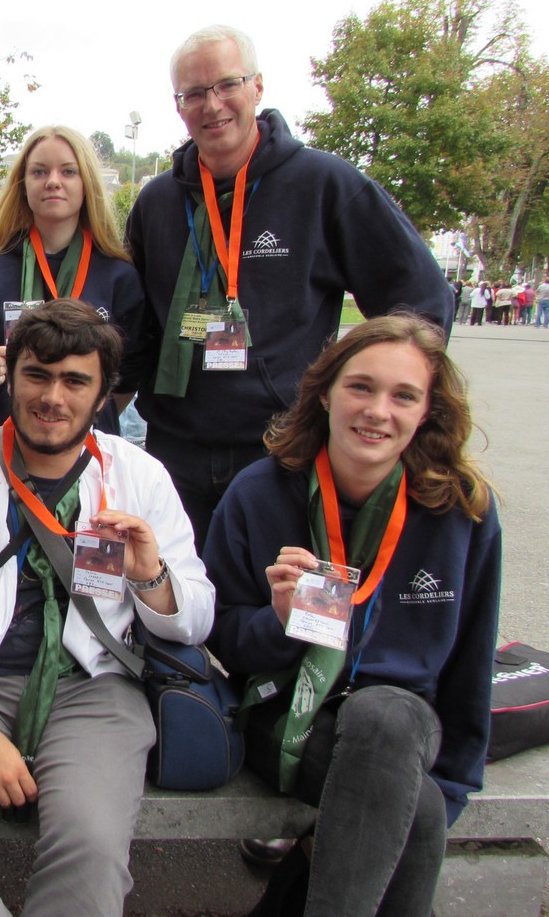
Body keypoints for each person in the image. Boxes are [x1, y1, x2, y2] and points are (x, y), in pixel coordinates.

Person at [0, 298, 214, 917]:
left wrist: (151, 577)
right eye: (37, 375)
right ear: (12, 379)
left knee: (90, 845)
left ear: (103, 395)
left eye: (75, 381)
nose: (52, 397)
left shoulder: (141, 477)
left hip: (92, 686)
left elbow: (196, 616)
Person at [205, 313, 501, 917]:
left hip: (406, 723)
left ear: (428, 411)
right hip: (286, 711)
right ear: (325, 393)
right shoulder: (258, 492)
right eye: (361, 387)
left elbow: (473, 654)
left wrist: (453, 781)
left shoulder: (460, 509)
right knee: (415, 808)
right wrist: (279, 621)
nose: (377, 411)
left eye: (404, 396)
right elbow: (222, 640)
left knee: (384, 714)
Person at [124, 24, 454, 551]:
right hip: (175, 450)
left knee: (271, 591)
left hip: (283, 447)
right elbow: (136, 324)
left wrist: (383, 398)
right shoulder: (157, 202)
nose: (212, 105)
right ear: (178, 106)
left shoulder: (324, 184)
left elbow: (421, 299)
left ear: (257, 86)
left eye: (227, 84)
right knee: (169, 588)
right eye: (194, 93)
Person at [0, 126, 143, 437]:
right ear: (23, 185)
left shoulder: (120, 277)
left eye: (68, 171)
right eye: (39, 172)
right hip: (5, 445)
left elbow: (128, 378)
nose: (53, 181)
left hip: (90, 446)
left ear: (86, 183)